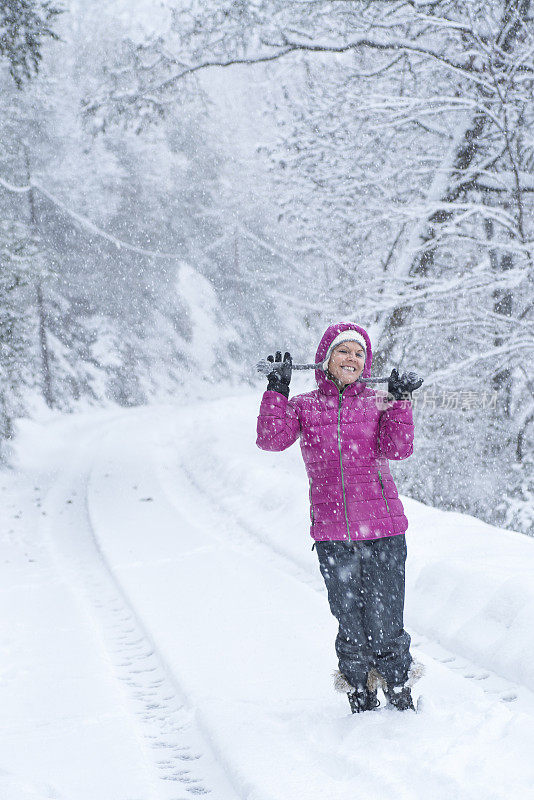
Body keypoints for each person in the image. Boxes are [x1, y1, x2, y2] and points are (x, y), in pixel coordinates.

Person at [256, 322, 424, 713]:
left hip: (382, 529)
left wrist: (400, 401)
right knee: (350, 624)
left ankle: (400, 696)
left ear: (367, 364)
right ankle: (360, 698)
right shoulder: (304, 405)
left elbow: (398, 449)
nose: (352, 358)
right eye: (344, 351)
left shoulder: (379, 402)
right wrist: (276, 392)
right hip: (333, 533)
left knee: (385, 623)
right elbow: (271, 440)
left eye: (359, 353)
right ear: (326, 358)